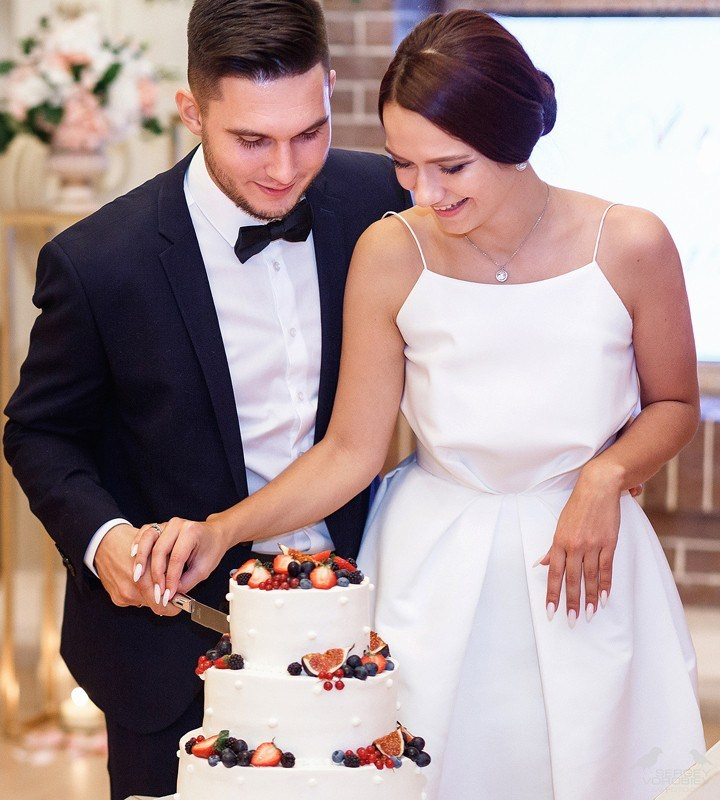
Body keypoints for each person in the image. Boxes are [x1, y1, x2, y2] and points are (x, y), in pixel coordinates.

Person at [138, 9, 704, 799]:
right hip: (429, 569)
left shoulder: (632, 243)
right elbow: (350, 451)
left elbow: (674, 401)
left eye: (451, 167)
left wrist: (605, 476)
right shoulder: (391, 251)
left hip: (586, 561)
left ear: (515, 138)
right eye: (404, 165)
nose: (424, 191)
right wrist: (223, 529)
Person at [2, 0, 410, 795]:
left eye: (309, 132)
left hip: (362, 621)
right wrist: (105, 540)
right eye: (252, 140)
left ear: (330, 89)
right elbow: (39, 434)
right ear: (191, 111)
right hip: (174, 647)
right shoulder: (100, 262)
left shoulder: (383, 202)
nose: (285, 169)